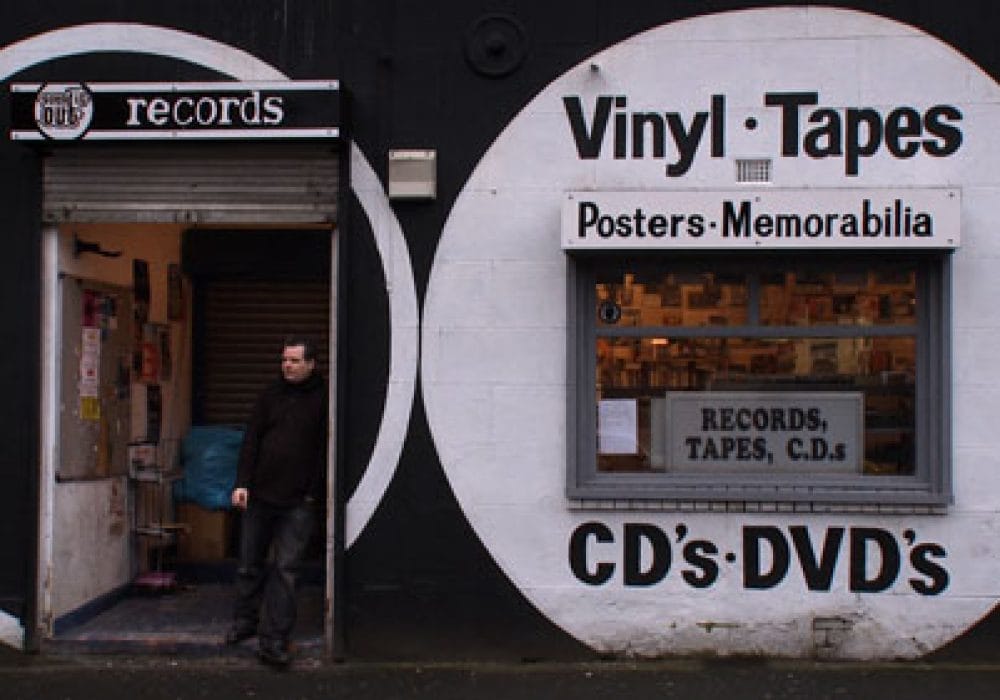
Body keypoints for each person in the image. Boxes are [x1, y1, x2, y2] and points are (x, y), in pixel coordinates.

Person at [225, 336, 328, 667]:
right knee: (249, 563)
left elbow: (326, 450)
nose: (287, 365)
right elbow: (251, 439)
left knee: (285, 571)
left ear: (311, 364)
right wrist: (242, 483)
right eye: (284, 360)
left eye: (295, 361)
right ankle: (244, 622)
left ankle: (274, 641)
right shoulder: (270, 395)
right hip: (260, 496)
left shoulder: (324, 398)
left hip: (298, 501)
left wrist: (313, 493)